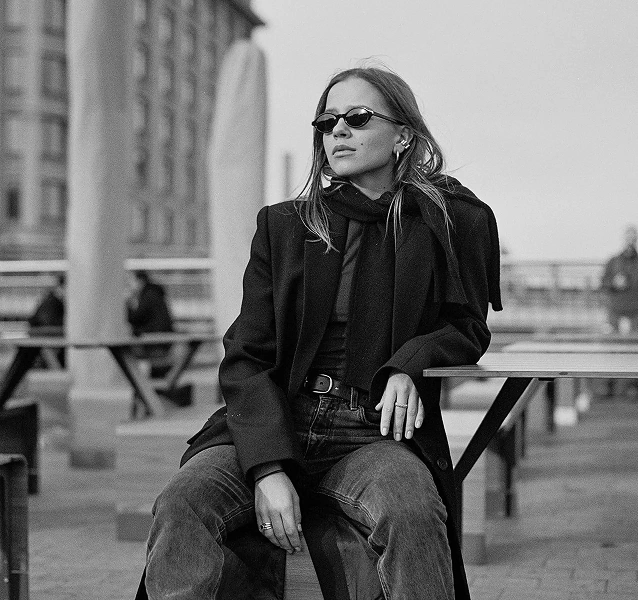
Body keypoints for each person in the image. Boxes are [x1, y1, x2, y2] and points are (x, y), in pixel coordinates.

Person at [139, 65, 502, 600]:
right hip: (280, 417)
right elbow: (245, 354)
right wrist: (267, 467)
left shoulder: (443, 222)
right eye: (327, 121)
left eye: (358, 117)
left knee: (412, 511)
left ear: (404, 136)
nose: (339, 131)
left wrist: (409, 364)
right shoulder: (285, 226)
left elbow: (466, 326)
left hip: (373, 432)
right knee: (181, 503)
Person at [126, 270, 175, 378]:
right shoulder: (154, 293)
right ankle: (146, 384)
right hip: (161, 339)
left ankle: (141, 384)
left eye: (131, 281)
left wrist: (128, 302)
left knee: (131, 354)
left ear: (140, 281)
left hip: (155, 342)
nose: (129, 284)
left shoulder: (148, 295)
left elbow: (135, 318)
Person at [601, 224, 638, 334]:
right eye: (628, 238)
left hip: (636, 310)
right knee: (612, 337)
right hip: (616, 309)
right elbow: (603, 283)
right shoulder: (613, 261)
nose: (630, 242)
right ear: (624, 239)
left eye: (633, 239)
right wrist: (614, 283)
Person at [28, 274, 66, 367]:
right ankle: (57, 371)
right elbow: (46, 322)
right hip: (42, 335)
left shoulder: (53, 300)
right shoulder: (52, 302)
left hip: (40, 335)